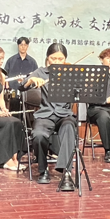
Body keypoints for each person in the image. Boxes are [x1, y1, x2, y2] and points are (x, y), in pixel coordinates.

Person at [22, 43, 77, 191]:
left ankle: (66, 173)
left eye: (61, 59)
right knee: (38, 135)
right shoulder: (41, 72)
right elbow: (23, 85)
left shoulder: (71, 73)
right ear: (48, 58)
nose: (57, 62)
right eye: (53, 58)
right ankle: (43, 170)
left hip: (64, 114)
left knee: (69, 127)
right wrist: (31, 80)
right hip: (46, 115)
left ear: (65, 59)